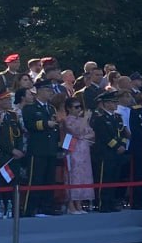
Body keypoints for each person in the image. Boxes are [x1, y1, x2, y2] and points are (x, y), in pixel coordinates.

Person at [21, 80, 59, 216]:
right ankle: (30, 208)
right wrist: (45, 123)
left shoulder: (51, 108)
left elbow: (56, 128)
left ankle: (46, 206)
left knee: (49, 179)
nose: (50, 93)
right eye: (48, 90)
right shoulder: (30, 108)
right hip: (37, 149)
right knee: (35, 179)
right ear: (40, 90)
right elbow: (30, 124)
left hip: (50, 149)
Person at [91, 91, 129, 212]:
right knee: (104, 178)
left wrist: (122, 144)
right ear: (106, 103)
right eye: (113, 102)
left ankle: (112, 201)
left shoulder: (117, 117)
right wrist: (116, 146)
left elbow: (123, 133)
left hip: (116, 154)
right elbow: (104, 136)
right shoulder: (100, 118)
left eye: (116, 102)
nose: (115, 104)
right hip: (105, 153)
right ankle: (103, 203)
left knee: (114, 177)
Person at [61, 96, 95, 214]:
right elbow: (77, 132)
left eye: (79, 107)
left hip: (84, 151)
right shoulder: (67, 120)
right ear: (69, 109)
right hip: (73, 151)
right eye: (76, 107)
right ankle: (71, 204)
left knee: (83, 176)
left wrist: (83, 136)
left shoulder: (81, 120)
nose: (78, 109)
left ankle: (79, 203)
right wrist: (85, 119)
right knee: (73, 176)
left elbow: (91, 133)